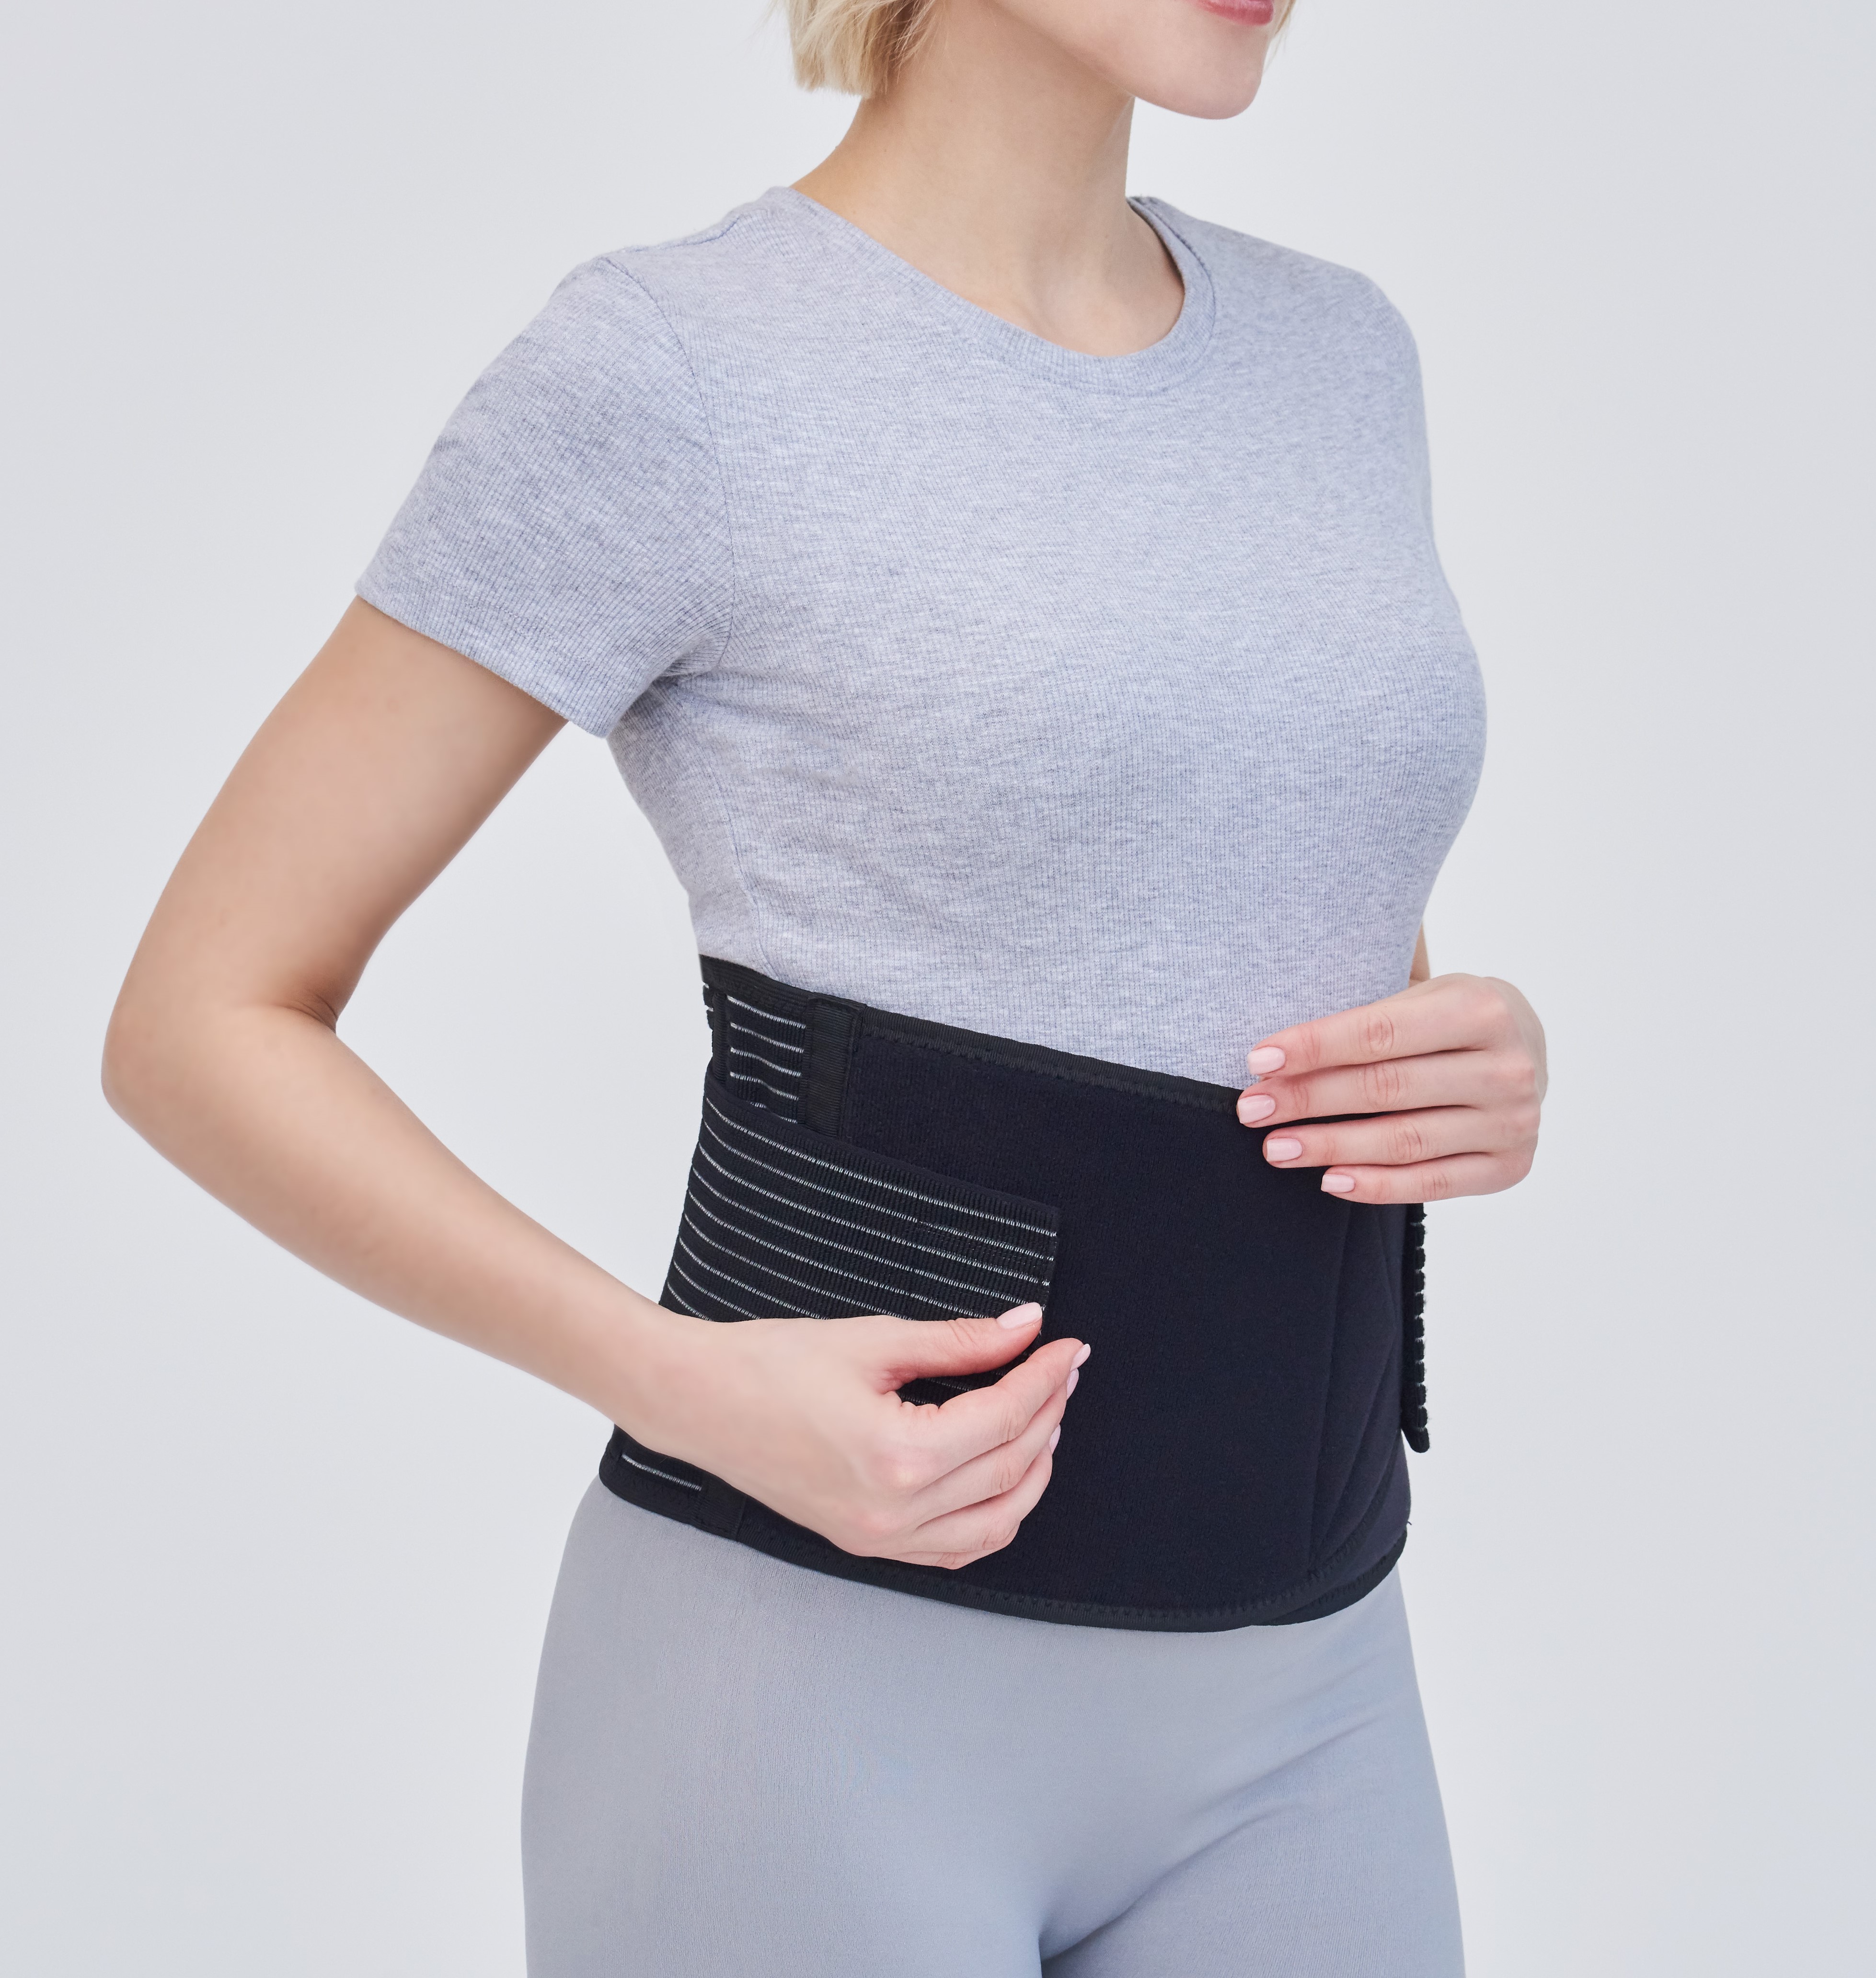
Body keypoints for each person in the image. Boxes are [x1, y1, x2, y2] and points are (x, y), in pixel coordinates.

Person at [104, 0, 1546, 1970]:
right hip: (808, 1695)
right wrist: (669, 1377)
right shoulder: (677, 368)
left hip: (1312, 1689)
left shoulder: (1338, 356)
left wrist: (1459, 1052)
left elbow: (1251, 898)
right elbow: (199, 1019)